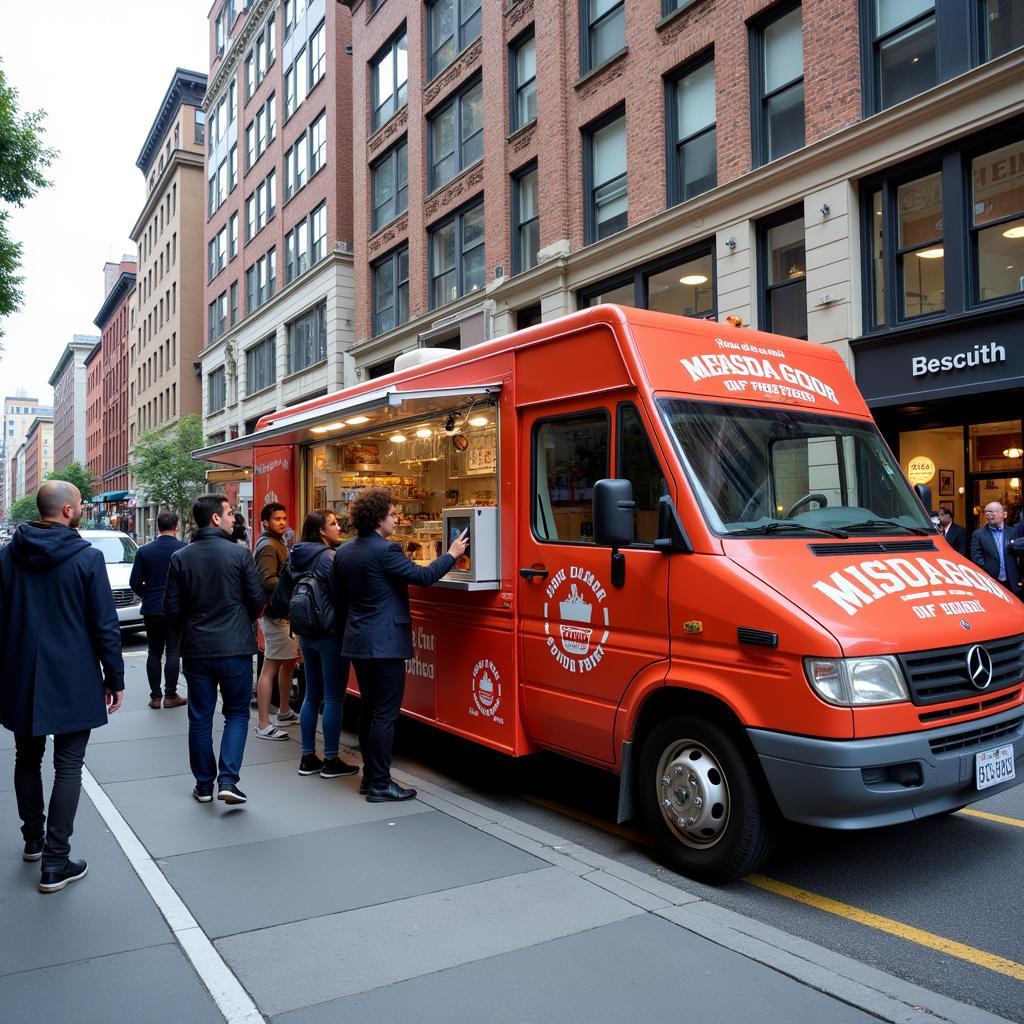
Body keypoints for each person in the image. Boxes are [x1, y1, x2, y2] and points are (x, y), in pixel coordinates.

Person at [0, 480, 124, 893]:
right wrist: (115, 678)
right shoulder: (87, 559)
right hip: (73, 676)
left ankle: (33, 840)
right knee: (68, 766)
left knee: (26, 757)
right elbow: (105, 625)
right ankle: (56, 861)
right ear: (68, 511)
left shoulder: (7, 557)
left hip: (20, 673)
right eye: (81, 504)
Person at [331, 488, 467, 802]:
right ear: (379, 518)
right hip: (386, 642)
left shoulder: (345, 551)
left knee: (369, 710)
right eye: (393, 514)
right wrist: (452, 554)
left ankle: (370, 777)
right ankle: (380, 783)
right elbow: (423, 577)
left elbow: (338, 599)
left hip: (359, 640)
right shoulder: (386, 551)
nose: (397, 519)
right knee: (385, 715)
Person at [164, 493, 264, 804]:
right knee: (236, 713)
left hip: (196, 649)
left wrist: (190, 629)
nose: (235, 518)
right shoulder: (239, 554)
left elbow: (172, 608)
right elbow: (257, 599)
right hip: (234, 647)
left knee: (200, 717)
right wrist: (241, 620)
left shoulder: (181, 557)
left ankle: (204, 784)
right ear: (215, 519)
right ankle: (229, 780)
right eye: (231, 513)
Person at [286, 509, 359, 779]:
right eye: (333, 523)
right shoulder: (329, 558)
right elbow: (342, 595)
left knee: (311, 694)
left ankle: (307, 757)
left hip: (307, 632)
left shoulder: (296, 554)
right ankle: (331, 760)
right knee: (333, 697)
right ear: (321, 531)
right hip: (331, 632)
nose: (339, 527)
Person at [130, 511, 187, 709]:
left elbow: (135, 581)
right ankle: (171, 695)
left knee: (154, 651)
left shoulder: (144, 551)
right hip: (176, 608)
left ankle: (155, 697)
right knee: (173, 649)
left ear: (157, 526)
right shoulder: (184, 549)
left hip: (152, 607)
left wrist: (148, 595)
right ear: (177, 526)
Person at [254, 502, 298, 740]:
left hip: (280, 613)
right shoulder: (269, 546)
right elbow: (267, 581)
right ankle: (263, 723)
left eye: (284, 518)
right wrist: (296, 582)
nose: (282, 522)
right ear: (265, 523)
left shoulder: (275, 542)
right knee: (271, 666)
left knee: (287, 662)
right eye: (277, 519)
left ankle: (284, 711)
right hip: (274, 614)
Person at [970, 501, 1023, 595]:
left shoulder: (1013, 532)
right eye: (987, 512)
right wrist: (989, 570)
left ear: (1003, 514)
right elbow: (976, 558)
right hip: (990, 582)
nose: (989, 515)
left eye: (992, 511)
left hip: (1012, 581)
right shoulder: (978, 534)